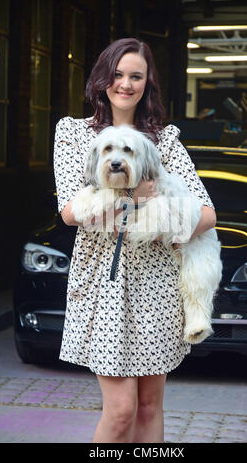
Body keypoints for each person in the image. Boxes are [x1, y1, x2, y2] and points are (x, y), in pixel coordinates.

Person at [53, 38, 216, 443]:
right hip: (103, 283)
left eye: (136, 76)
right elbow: (71, 212)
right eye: (118, 74)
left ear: (147, 83)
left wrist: (164, 215)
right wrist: (138, 196)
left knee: (148, 407)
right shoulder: (74, 134)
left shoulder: (165, 142)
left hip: (158, 282)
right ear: (102, 79)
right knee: (122, 410)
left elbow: (208, 215)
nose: (126, 84)